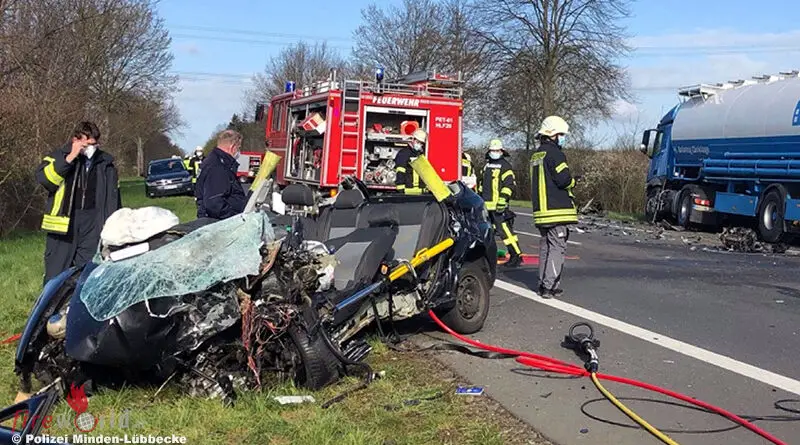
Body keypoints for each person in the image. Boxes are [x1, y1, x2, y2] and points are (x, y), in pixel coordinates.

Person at [35, 121, 121, 284]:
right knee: (56, 275)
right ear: (75, 140)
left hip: (93, 224)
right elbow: (45, 180)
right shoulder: (58, 157)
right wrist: (70, 158)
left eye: (94, 145)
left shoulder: (106, 164)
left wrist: (113, 225)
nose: (90, 149)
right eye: (86, 145)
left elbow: (113, 199)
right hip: (64, 225)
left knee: (89, 273)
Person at [530, 116, 578, 298]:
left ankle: (544, 283)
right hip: (556, 210)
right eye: (561, 135)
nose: (563, 138)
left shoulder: (537, 155)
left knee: (545, 247)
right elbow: (563, 180)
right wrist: (574, 181)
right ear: (553, 135)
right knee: (557, 248)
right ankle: (548, 286)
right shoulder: (555, 154)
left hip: (541, 211)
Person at [478, 138, 522, 268]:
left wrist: (503, 200)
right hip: (486, 206)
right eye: (493, 150)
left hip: (498, 206)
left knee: (505, 232)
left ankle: (516, 255)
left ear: (502, 151)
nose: (494, 153)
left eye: (497, 151)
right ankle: (487, 256)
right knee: (487, 232)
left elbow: (509, 185)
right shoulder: (487, 166)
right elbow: (482, 185)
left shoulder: (505, 166)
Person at [195, 129, 247, 220]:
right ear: (232, 147)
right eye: (239, 148)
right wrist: (235, 218)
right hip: (219, 222)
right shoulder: (217, 167)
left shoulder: (214, 161)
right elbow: (214, 203)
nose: (239, 152)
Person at [394, 129, 428, 195]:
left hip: (420, 192)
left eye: (421, 143)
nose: (420, 145)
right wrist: (401, 189)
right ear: (413, 139)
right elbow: (400, 171)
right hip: (408, 191)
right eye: (418, 142)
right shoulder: (404, 153)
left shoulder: (420, 155)